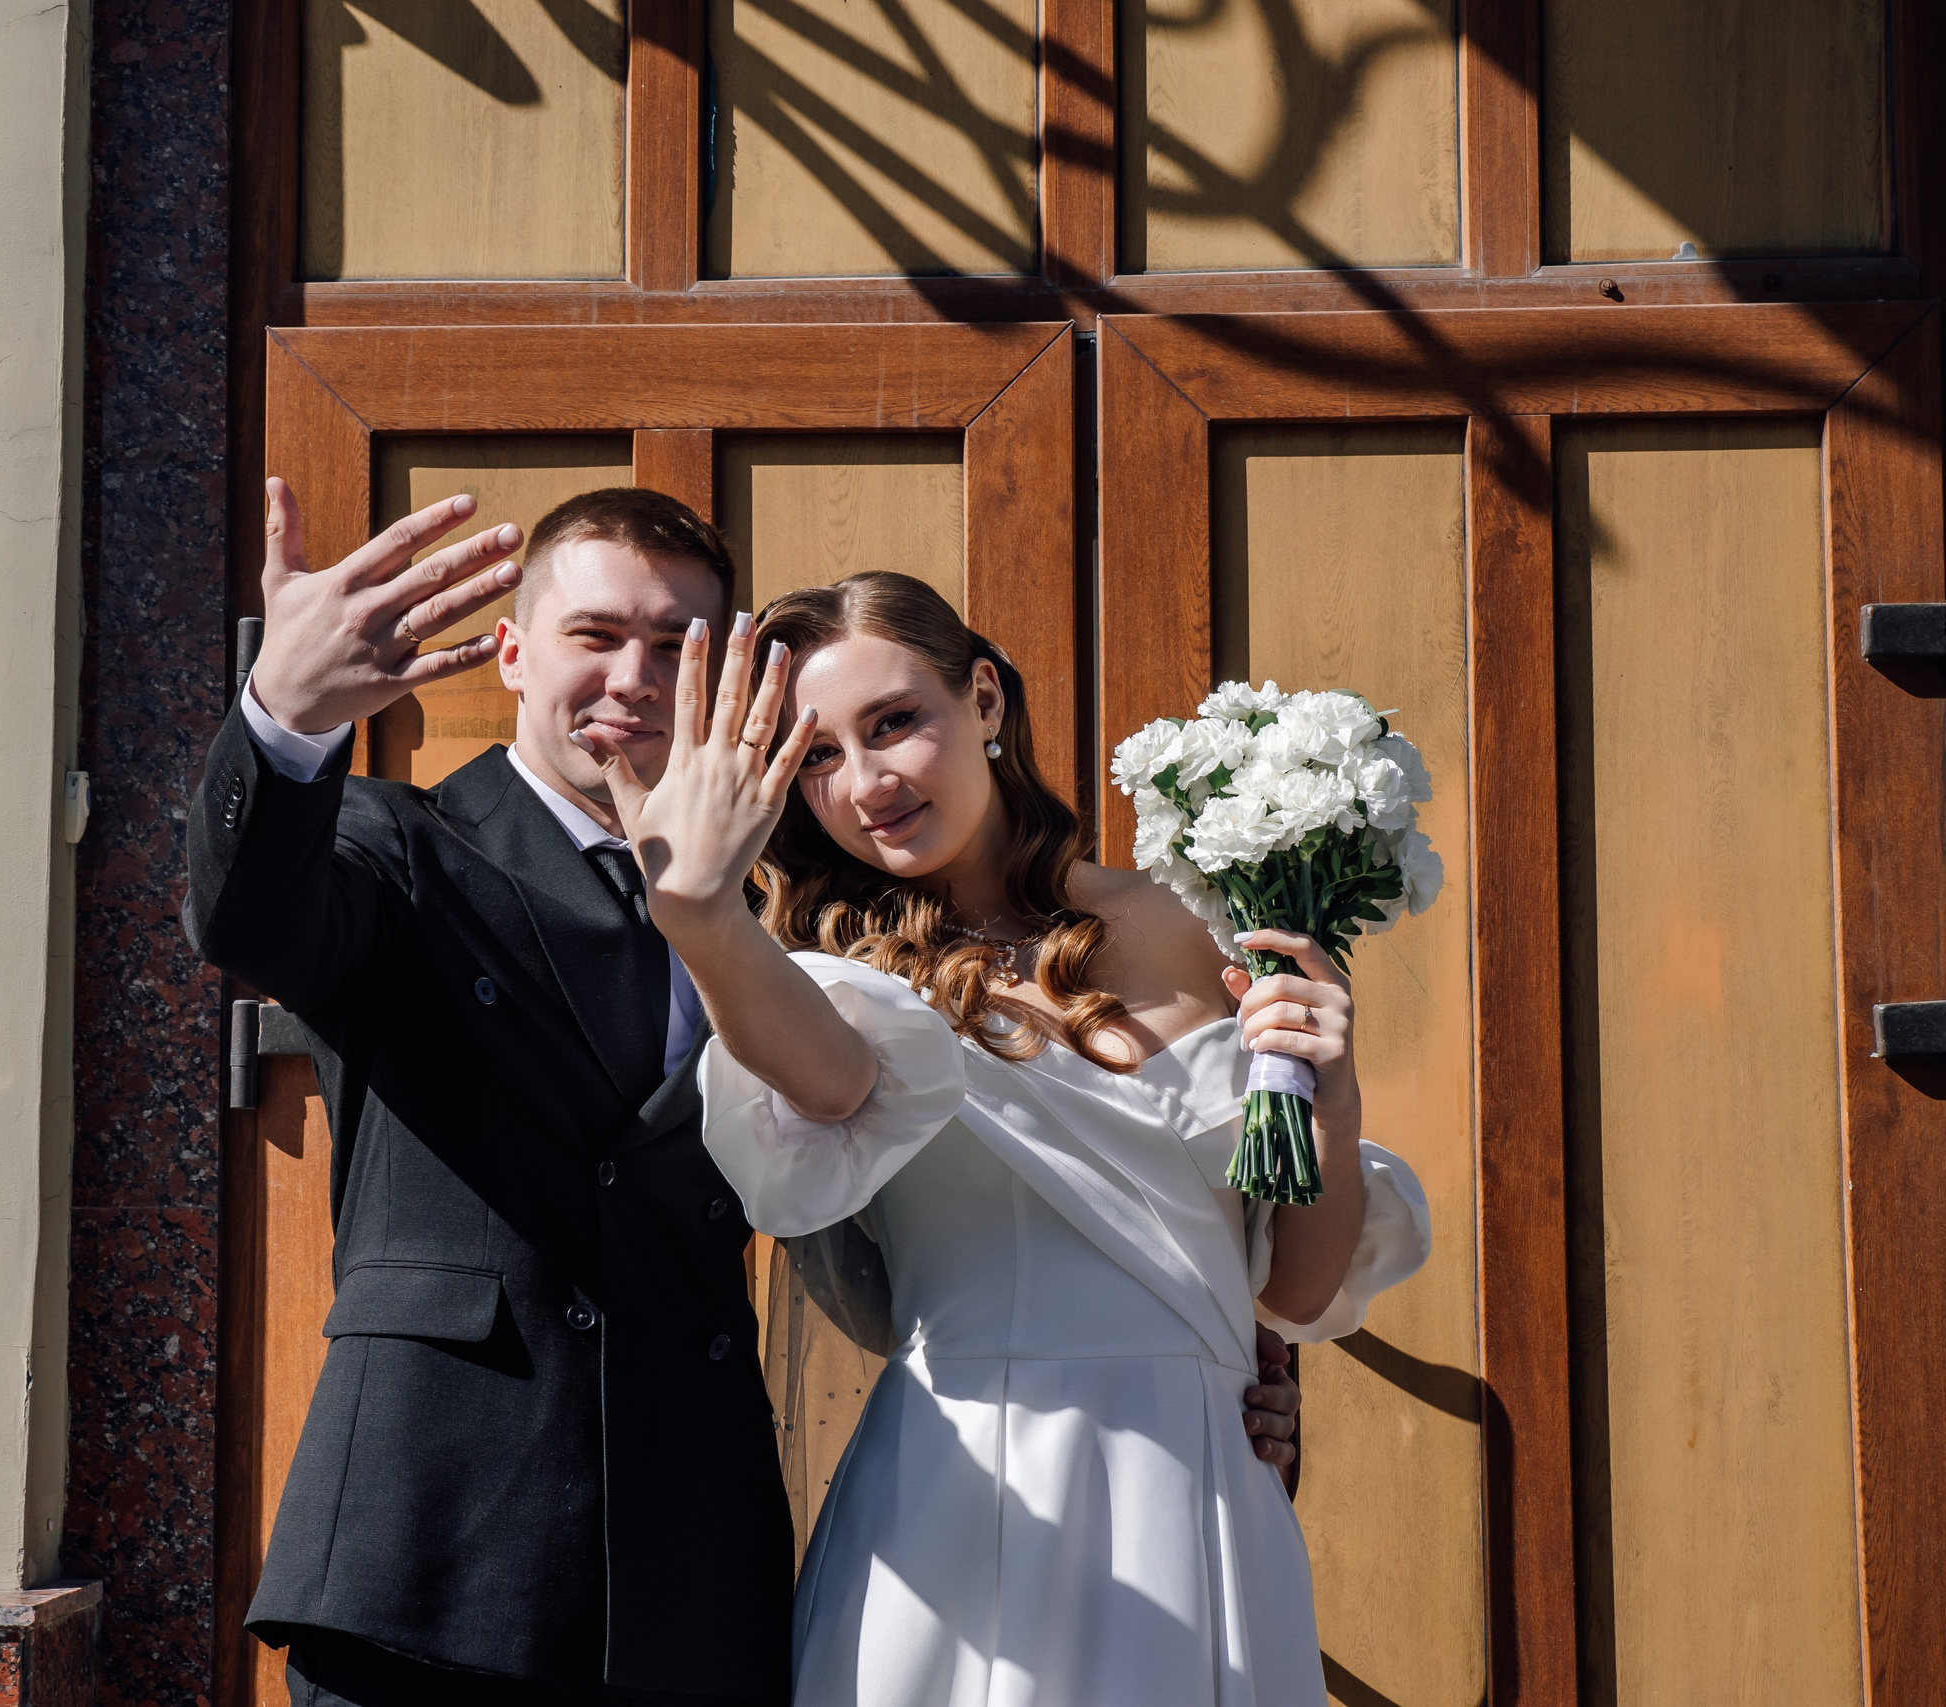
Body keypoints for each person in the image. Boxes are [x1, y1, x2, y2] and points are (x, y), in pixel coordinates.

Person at [185, 487, 1303, 1707]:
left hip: (695, 1565)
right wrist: (284, 723)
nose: (635, 676)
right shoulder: (394, 846)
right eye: (596, 635)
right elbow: (250, 921)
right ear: (511, 652)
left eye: (679, 647)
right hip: (436, 1552)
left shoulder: (793, 913)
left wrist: (1213, 1335)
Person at [576, 570, 1426, 1706]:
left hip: (1208, 1490)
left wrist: (1333, 1091)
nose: (867, 783)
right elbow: (827, 1089)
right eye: (817, 757)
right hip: (966, 1494)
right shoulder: (835, 979)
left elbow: (1302, 1292)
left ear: (982, 699)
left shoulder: (1206, 924)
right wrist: (701, 917)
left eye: (893, 724)